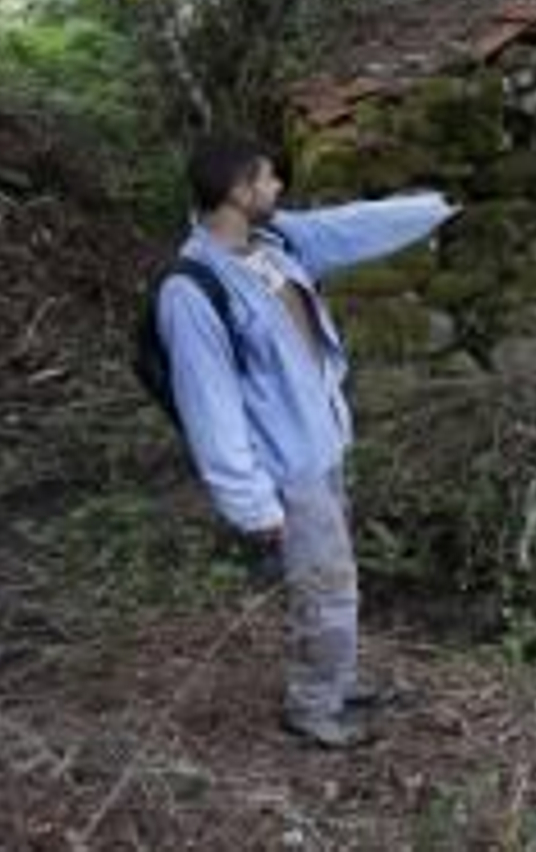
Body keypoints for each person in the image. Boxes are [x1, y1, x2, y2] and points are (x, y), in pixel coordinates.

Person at [158, 140, 459, 748]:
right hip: (286, 469)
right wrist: (251, 505)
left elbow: (346, 227)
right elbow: (209, 406)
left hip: (320, 448)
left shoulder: (274, 244)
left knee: (333, 580)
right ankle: (314, 708)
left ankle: (337, 680)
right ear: (239, 192)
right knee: (325, 587)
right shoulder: (191, 291)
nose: (278, 190)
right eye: (268, 181)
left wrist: (433, 208)